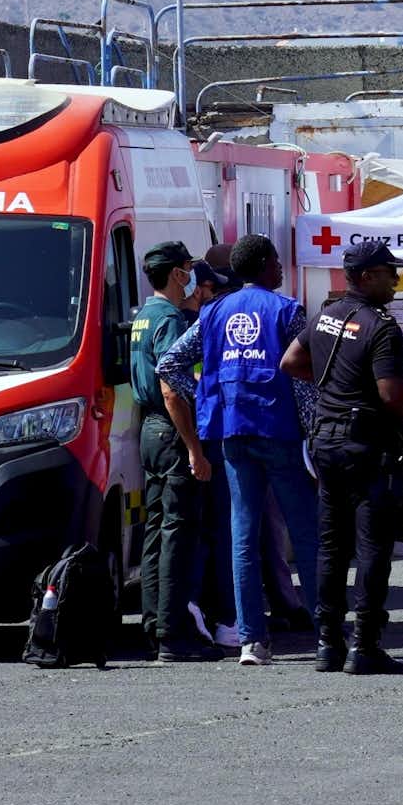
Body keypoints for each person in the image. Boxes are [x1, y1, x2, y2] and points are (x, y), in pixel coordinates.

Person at [157, 234, 318, 667]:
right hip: (278, 430)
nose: (282, 268)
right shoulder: (286, 311)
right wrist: (313, 429)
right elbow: (301, 378)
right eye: (278, 261)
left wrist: (207, 393)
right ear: (264, 265)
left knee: (242, 535)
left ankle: (251, 640)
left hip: (230, 432)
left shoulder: (211, 313)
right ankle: (326, 632)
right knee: (303, 533)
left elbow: (168, 364)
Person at [281, 243, 403, 674]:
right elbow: (389, 393)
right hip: (366, 446)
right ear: (364, 276)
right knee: (373, 546)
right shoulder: (381, 328)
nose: (395, 281)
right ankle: (365, 645)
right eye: (387, 273)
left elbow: (291, 361)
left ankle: (328, 643)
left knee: (331, 545)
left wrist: (336, 391)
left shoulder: (327, 315)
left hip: (325, 441)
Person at [129, 241, 217, 662]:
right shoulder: (167, 319)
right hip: (171, 427)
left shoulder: (143, 316)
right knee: (178, 534)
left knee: (156, 531)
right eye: (188, 268)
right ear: (179, 274)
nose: (193, 275)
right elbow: (171, 385)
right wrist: (194, 448)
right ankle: (172, 634)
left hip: (149, 431)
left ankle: (154, 626)